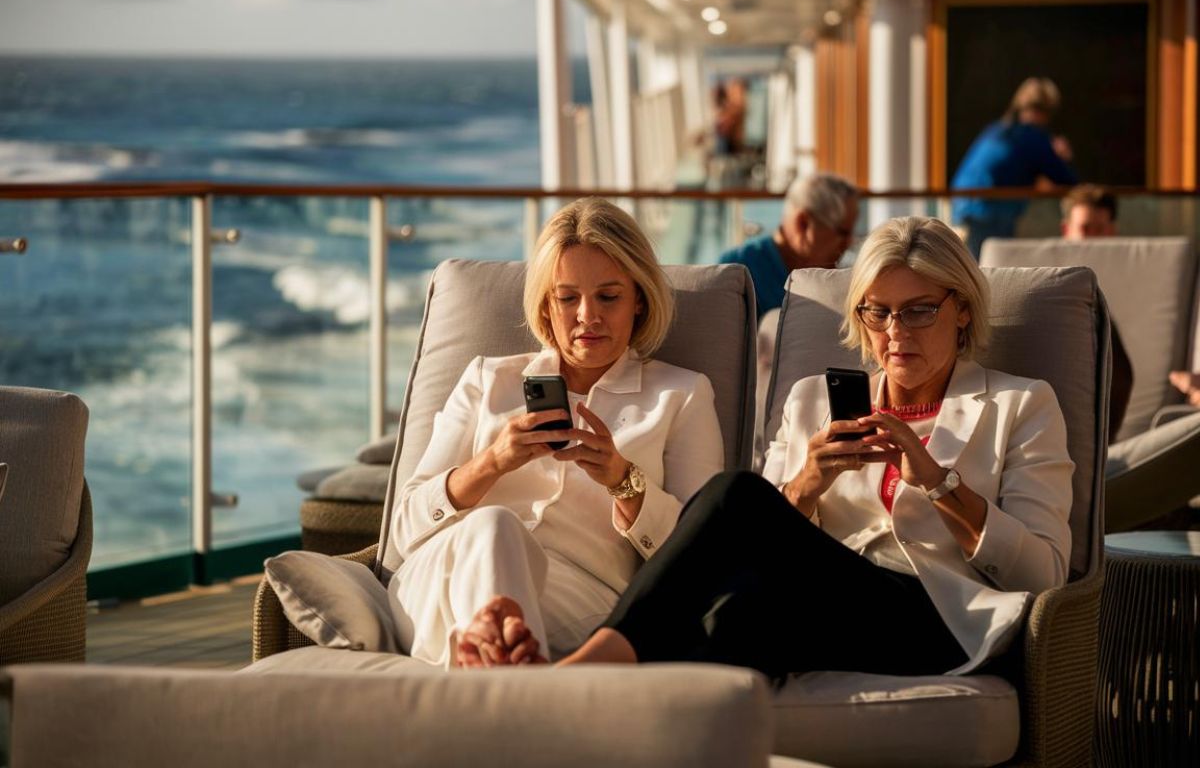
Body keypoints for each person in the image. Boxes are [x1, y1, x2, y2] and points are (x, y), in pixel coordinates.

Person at [555, 215, 1075, 681]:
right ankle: (614, 718)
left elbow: (1044, 572)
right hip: (826, 609)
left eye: (918, 312)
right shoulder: (811, 402)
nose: (894, 333)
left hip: (939, 620)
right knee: (735, 613)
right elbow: (765, 544)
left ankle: (600, 657)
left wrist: (940, 484)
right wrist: (807, 483)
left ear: (961, 310)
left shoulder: (1021, 404)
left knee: (736, 493)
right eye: (877, 313)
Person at [386, 197, 724, 669]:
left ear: (639, 301)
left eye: (608, 296)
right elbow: (403, 530)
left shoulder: (681, 395)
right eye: (568, 298)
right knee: (494, 524)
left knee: (500, 610)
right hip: (443, 576)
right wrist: (491, 462)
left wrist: (624, 481)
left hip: (576, 596)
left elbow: (699, 558)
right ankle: (523, 686)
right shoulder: (488, 379)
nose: (588, 316)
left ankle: (490, 660)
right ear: (547, 304)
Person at [952, 77, 1078, 258]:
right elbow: (1065, 179)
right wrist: (1063, 158)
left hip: (964, 205)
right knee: (991, 269)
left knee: (979, 266)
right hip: (991, 211)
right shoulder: (1032, 137)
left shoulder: (997, 130)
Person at [719, 172, 859, 319]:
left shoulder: (838, 278)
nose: (849, 243)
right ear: (803, 224)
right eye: (843, 232)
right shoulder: (737, 270)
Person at [1059, 184, 1132, 438]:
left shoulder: (1135, 277)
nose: (1093, 239)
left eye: (1099, 230)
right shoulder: (1049, 288)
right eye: (1085, 229)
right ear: (1066, 230)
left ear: (1113, 231)